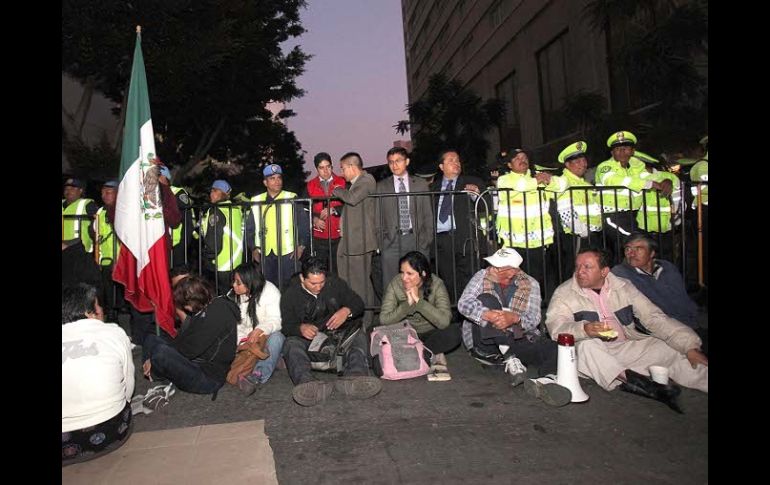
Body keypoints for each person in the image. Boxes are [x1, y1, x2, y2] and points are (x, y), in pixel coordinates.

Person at [545, 247, 708, 413]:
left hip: (626, 348)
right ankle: (641, 384)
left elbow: (654, 318)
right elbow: (555, 327)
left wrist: (690, 346)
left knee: (668, 347)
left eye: (587, 267)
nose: (580, 271)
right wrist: (584, 329)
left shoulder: (624, 287)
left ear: (604, 271)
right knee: (587, 346)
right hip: (597, 355)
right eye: (578, 266)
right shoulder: (564, 293)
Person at [457, 248, 569, 407]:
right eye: (493, 265)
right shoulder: (482, 276)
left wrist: (514, 319)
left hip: (517, 338)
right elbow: (464, 303)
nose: (493, 269)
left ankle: (545, 382)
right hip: (487, 342)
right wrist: (490, 315)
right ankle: (509, 357)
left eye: (499, 267)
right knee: (486, 300)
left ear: (512, 271)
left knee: (554, 348)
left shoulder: (531, 284)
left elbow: (534, 318)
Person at [281, 257, 382, 407]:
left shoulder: (335, 284)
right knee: (290, 344)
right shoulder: (290, 293)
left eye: (321, 282)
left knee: (358, 336)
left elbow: (358, 303)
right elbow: (287, 325)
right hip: (312, 343)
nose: (318, 287)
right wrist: (300, 328)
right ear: (302, 278)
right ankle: (307, 383)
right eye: (313, 283)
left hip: (338, 339)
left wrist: (346, 311)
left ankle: (355, 377)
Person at [62, 283, 134, 466]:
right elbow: (128, 385)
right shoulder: (113, 332)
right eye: (98, 306)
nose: (102, 311)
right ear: (89, 312)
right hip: (111, 429)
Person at [141, 275, 239, 407]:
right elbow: (184, 341)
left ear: (191, 302)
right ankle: (157, 373)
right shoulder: (205, 310)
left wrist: (153, 360)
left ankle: (156, 374)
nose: (184, 308)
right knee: (151, 338)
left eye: (184, 305)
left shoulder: (217, 312)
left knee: (160, 352)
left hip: (209, 377)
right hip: (195, 363)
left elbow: (189, 350)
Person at [611, 233, 707, 354]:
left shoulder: (667, 267)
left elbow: (682, 299)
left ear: (652, 253)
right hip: (662, 330)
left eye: (638, 249)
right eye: (628, 249)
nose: (631, 253)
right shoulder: (620, 273)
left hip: (692, 321)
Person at [378, 251, 462, 381]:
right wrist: (407, 306)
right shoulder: (396, 284)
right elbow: (384, 319)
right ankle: (425, 355)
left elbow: (444, 321)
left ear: (423, 274)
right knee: (373, 332)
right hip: (405, 335)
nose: (404, 278)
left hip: (430, 334)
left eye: (410, 274)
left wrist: (419, 302)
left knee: (454, 332)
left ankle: (418, 353)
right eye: (402, 272)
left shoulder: (437, 284)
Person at [495, 149, 566, 294]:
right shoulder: (505, 180)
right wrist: (538, 180)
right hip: (513, 241)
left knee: (536, 280)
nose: (522, 160)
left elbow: (562, 185)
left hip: (536, 241)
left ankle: (536, 310)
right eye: (517, 158)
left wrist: (549, 179)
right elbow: (521, 186)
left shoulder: (537, 176)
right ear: (509, 165)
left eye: (524, 157)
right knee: (513, 281)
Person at [595, 131, 671, 253]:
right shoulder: (605, 166)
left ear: (632, 151)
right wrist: (647, 184)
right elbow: (612, 180)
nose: (622, 151)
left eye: (625, 148)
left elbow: (651, 177)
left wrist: (666, 180)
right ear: (612, 152)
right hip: (612, 216)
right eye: (618, 149)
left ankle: (622, 271)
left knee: (628, 251)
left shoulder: (637, 165)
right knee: (639, 243)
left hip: (632, 215)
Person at [429, 149, 487, 303]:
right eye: (451, 160)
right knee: (449, 281)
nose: (456, 163)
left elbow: (486, 207)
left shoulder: (471, 183)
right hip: (442, 241)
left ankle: (471, 313)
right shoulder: (432, 188)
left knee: (470, 280)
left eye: (457, 160)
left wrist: (476, 196)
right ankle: (456, 315)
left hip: (465, 239)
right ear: (441, 166)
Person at [375, 147, 435, 293]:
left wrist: (426, 239)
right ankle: (395, 314)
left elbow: (427, 213)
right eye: (391, 162)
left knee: (419, 281)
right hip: (391, 241)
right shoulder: (382, 186)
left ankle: (421, 313)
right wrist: (381, 241)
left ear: (407, 161)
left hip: (417, 238)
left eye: (398, 161)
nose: (394, 165)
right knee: (391, 284)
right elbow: (378, 216)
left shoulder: (420, 184)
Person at [225, 261, 286, 395]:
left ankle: (257, 376)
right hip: (246, 341)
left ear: (250, 282)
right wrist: (243, 341)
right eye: (234, 281)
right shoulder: (232, 296)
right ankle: (272, 360)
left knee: (277, 338)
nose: (233, 285)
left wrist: (260, 330)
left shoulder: (269, 290)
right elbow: (235, 326)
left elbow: (277, 320)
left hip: (266, 336)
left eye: (238, 282)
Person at [248, 164, 308, 288]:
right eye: (272, 178)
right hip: (265, 252)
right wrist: (253, 248)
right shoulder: (256, 200)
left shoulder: (291, 197)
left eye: (279, 178)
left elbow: (303, 224)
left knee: (289, 288)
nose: (277, 181)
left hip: (288, 253)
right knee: (267, 288)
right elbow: (250, 227)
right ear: (265, 182)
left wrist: (301, 246)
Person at [332, 152, 379, 311]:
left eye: (343, 168)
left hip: (361, 242)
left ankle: (366, 317)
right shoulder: (356, 183)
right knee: (351, 281)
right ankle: (356, 312)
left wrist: (337, 190)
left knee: (361, 282)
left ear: (352, 167)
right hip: (353, 241)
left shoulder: (367, 180)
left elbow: (352, 199)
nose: (342, 172)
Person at [552, 141, 603, 279]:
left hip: (590, 235)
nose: (583, 164)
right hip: (577, 236)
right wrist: (582, 231)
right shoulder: (564, 182)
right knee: (575, 273)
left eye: (584, 160)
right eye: (578, 161)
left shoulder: (585, 184)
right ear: (567, 165)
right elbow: (565, 212)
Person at [305, 152, 346, 275]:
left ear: (332, 166)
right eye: (321, 168)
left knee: (339, 271)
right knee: (321, 271)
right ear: (317, 169)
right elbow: (304, 209)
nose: (326, 170)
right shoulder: (310, 185)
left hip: (339, 236)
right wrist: (314, 219)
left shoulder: (343, 182)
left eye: (328, 166)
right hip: (319, 238)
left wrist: (334, 210)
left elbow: (350, 205)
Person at [201, 179, 244, 295]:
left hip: (220, 263)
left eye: (215, 191)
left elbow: (213, 240)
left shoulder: (216, 211)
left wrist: (208, 257)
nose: (212, 194)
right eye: (211, 191)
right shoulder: (236, 209)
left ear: (224, 194)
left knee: (221, 299)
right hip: (236, 262)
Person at [94, 180, 124, 321]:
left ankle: (121, 312)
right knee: (107, 289)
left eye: (108, 192)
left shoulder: (124, 211)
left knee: (122, 290)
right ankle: (112, 314)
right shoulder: (100, 211)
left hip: (122, 258)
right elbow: (94, 232)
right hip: (105, 258)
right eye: (103, 192)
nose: (104, 195)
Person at [159, 165, 196, 269]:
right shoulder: (153, 194)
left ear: (163, 177)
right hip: (161, 242)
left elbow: (187, 221)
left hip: (176, 244)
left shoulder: (177, 193)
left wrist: (183, 245)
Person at [62, 177, 97, 252]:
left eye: (72, 189)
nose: (68, 191)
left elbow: (96, 228)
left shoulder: (87, 204)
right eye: (66, 188)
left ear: (80, 191)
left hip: (80, 251)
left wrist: (68, 243)